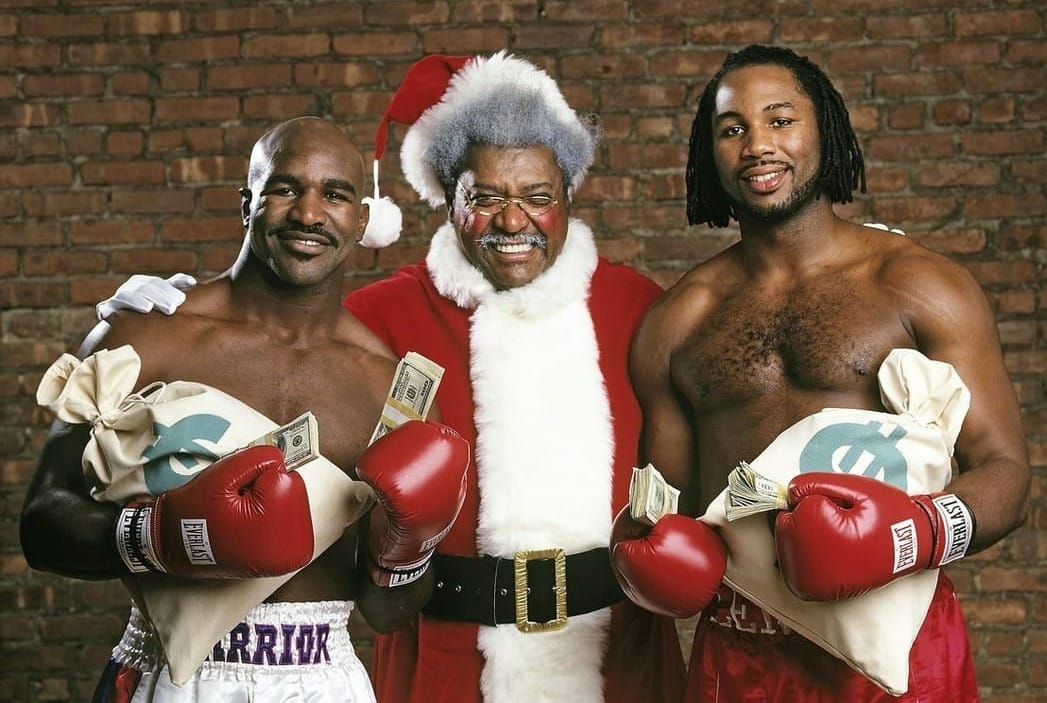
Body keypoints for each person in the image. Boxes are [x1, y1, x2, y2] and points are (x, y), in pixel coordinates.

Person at [84, 52, 688, 703]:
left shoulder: (639, 308)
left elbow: (691, 473)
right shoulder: (377, 318)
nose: (512, 222)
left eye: (538, 197)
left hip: (616, 657)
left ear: (568, 195)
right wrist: (158, 304)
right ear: (444, 200)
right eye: (483, 198)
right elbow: (269, 331)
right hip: (441, 658)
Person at [623, 44, 1030, 702]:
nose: (757, 144)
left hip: (895, 644)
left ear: (824, 130)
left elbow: (1006, 476)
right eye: (732, 129)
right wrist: (641, 550)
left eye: (780, 120)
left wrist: (906, 534)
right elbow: (660, 502)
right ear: (709, 153)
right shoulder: (676, 322)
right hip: (742, 652)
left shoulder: (919, 285)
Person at [20, 116, 471, 703]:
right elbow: (41, 522)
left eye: (333, 195)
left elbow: (388, 613)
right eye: (285, 188)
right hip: (170, 674)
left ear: (363, 221)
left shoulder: (390, 388)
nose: (308, 214)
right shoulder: (150, 335)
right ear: (247, 203)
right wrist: (160, 536)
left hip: (321, 678)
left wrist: (408, 550)